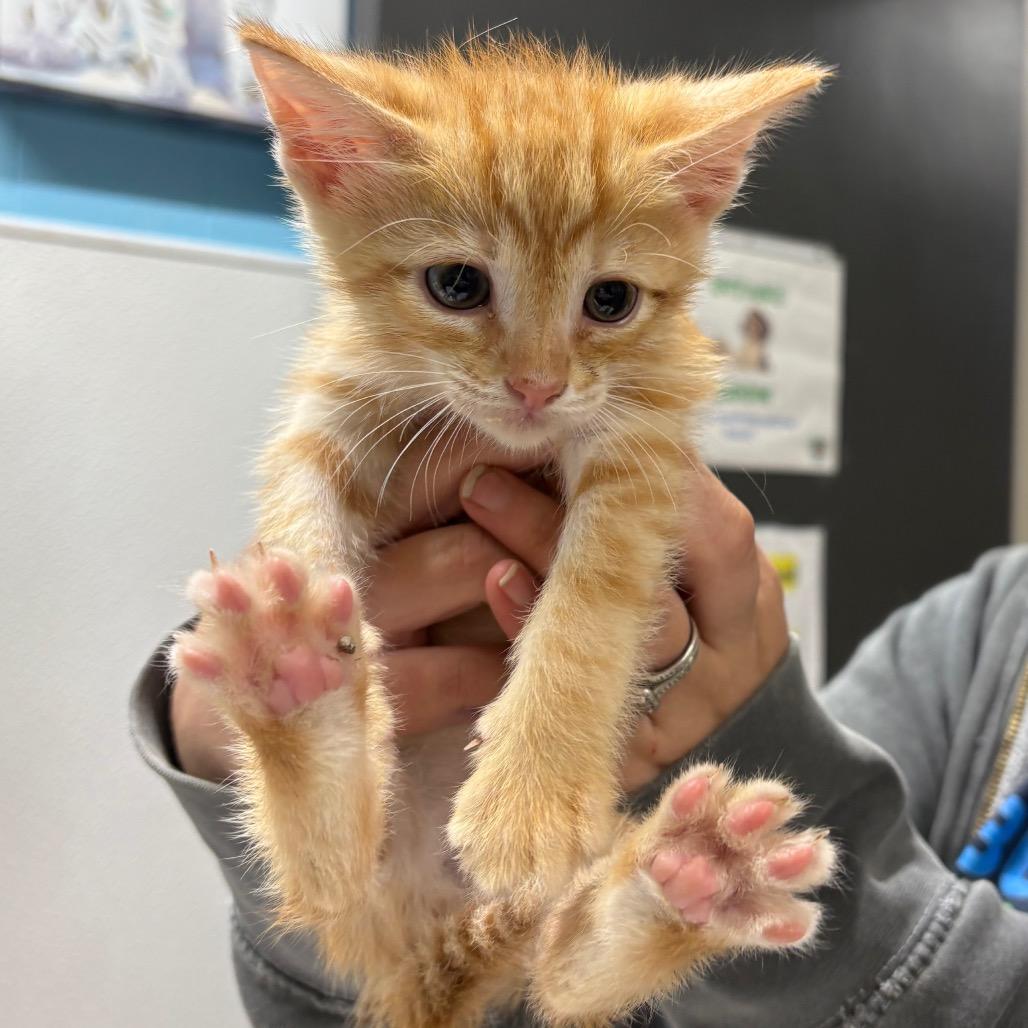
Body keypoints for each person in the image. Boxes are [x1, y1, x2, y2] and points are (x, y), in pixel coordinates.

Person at [131, 450, 1028, 1027]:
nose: (533, 375)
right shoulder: (991, 629)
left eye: (607, 300)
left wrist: (739, 739)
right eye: (459, 286)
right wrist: (250, 755)